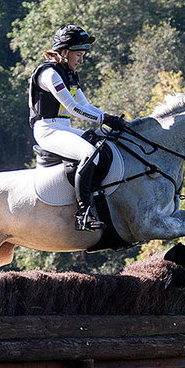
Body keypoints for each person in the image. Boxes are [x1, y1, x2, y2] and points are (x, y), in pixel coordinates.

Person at [28, 24, 125, 231]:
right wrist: (104, 118)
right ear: (64, 52)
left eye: (82, 55)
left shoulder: (69, 74)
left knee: (105, 145)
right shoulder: (50, 74)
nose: (81, 60)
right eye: (78, 55)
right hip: (48, 130)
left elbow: (86, 105)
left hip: (64, 128)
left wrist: (111, 118)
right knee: (89, 153)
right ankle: (83, 213)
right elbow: (73, 108)